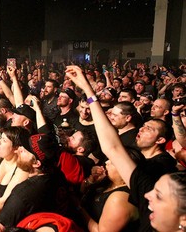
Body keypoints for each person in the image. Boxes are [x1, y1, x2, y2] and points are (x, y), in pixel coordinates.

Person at [65, 65, 186, 232]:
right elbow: (112, 147)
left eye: (158, 195)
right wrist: (87, 89)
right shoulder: (148, 200)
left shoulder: (161, 162)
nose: (146, 195)